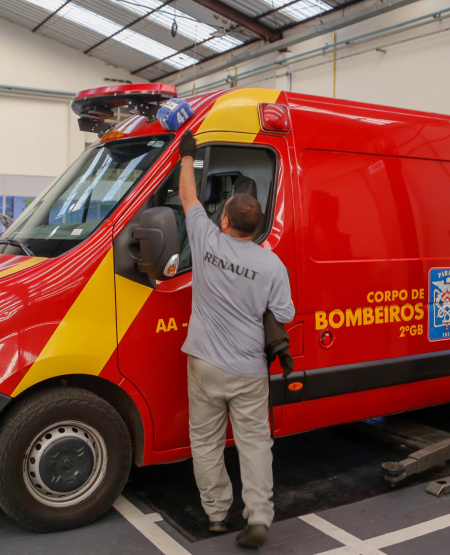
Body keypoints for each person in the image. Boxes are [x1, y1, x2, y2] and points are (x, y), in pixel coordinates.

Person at [177, 130, 295, 548]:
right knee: (254, 444)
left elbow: (189, 199)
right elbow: (284, 315)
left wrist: (187, 155)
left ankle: (214, 515)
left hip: (204, 364)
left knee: (205, 442)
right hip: (248, 370)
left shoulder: (207, 242)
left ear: (224, 220)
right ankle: (259, 517)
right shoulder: (271, 265)